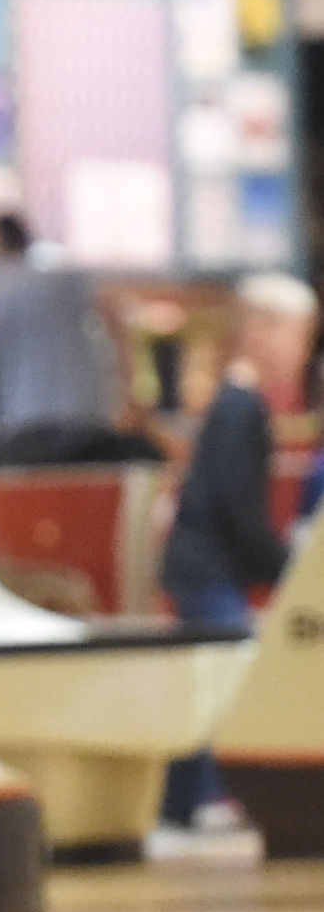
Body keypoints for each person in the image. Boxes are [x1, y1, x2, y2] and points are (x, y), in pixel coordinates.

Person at [158, 271, 318, 831]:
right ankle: (201, 799)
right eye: (297, 335)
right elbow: (233, 505)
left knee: (210, 679)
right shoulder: (240, 407)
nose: (301, 352)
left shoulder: (237, 404)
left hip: (204, 567)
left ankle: (180, 804)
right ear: (259, 330)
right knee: (228, 680)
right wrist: (283, 570)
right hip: (207, 569)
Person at [0, 212, 162, 465]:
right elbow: (114, 313)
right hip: (86, 414)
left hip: (28, 422)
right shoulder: (63, 277)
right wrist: (130, 388)